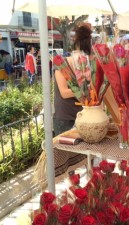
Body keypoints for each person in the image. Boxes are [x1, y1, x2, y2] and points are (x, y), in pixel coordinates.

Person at [52, 24, 91, 175]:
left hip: (83, 115)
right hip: (65, 117)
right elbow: (64, 92)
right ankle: (73, 189)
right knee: (66, 161)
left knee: (86, 155)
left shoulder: (86, 65)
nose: (83, 59)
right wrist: (86, 87)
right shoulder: (62, 65)